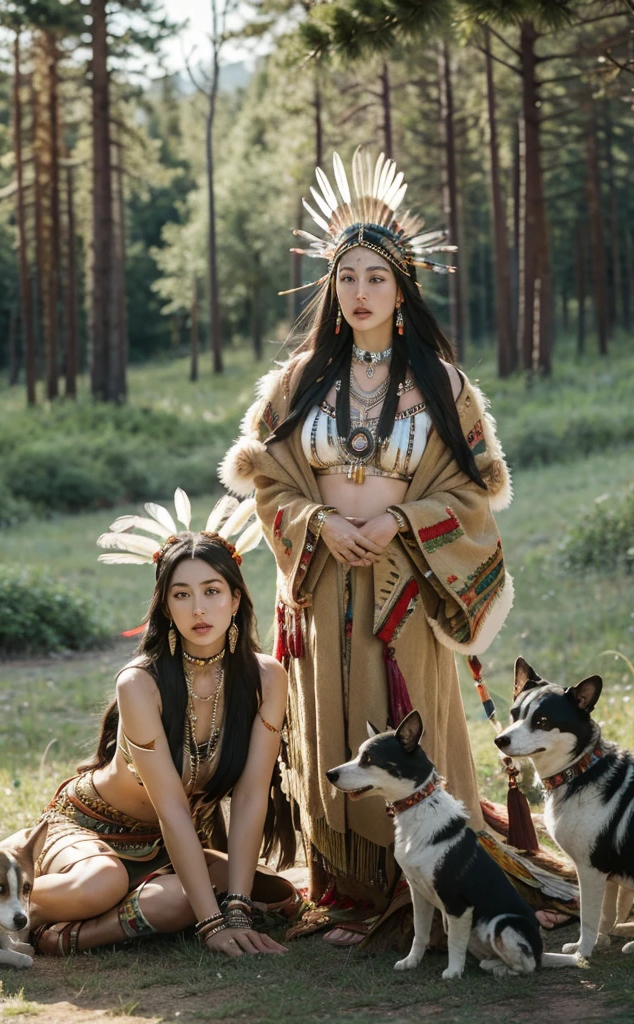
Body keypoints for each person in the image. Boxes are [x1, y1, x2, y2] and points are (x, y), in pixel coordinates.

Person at [220, 149, 529, 946]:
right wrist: (321, 524)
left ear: (402, 290)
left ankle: (433, 885)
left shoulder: (444, 387)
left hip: (406, 584)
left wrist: (399, 523)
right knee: (334, 728)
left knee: (409, 721)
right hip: (322, 582)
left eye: (376, 279)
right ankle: (355, 896)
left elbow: (472, 496)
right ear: (333, 288)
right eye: (347, 278)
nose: (359, 293)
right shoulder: (296, 383)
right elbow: (267, 482)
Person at [26, 493, 300, 957]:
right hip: (94, 830)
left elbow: (252, 793)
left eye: (212, 591)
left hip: (163, 845)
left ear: (235, 599)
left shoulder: (266, 678)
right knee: (105, 883)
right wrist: (213, 926)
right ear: (166, 606)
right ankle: (1, 904)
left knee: (273, 897)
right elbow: (173, 807)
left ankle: (91, 922)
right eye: (182, 594)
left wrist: (235, 909)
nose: (199, 609)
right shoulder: (140, 684)